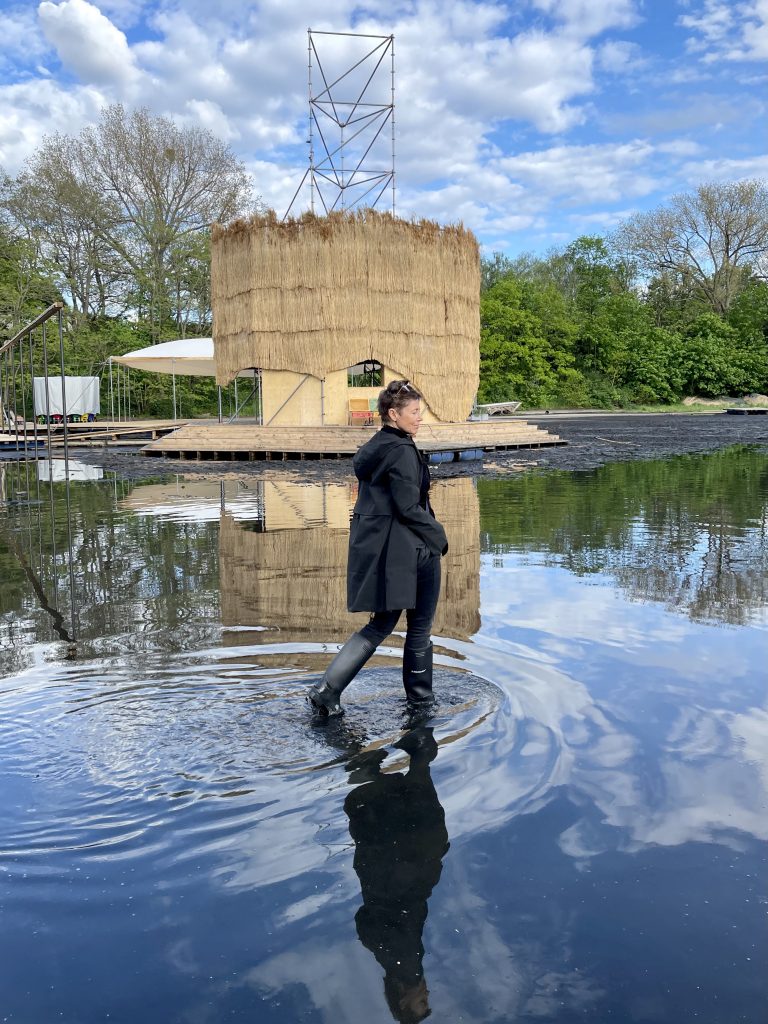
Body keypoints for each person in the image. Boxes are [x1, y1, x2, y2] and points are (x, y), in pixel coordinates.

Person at [308, 379, 448, 715]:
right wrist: (438, 537)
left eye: (420, 411)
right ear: (393, 414)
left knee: (380, 625)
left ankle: (327, 691)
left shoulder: (377, 446)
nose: (420, 418)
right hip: (414, 553)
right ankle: (421, 703)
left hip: (390, 553)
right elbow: (408, 507)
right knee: (419, 629)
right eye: (414, 412)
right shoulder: (401, 451)